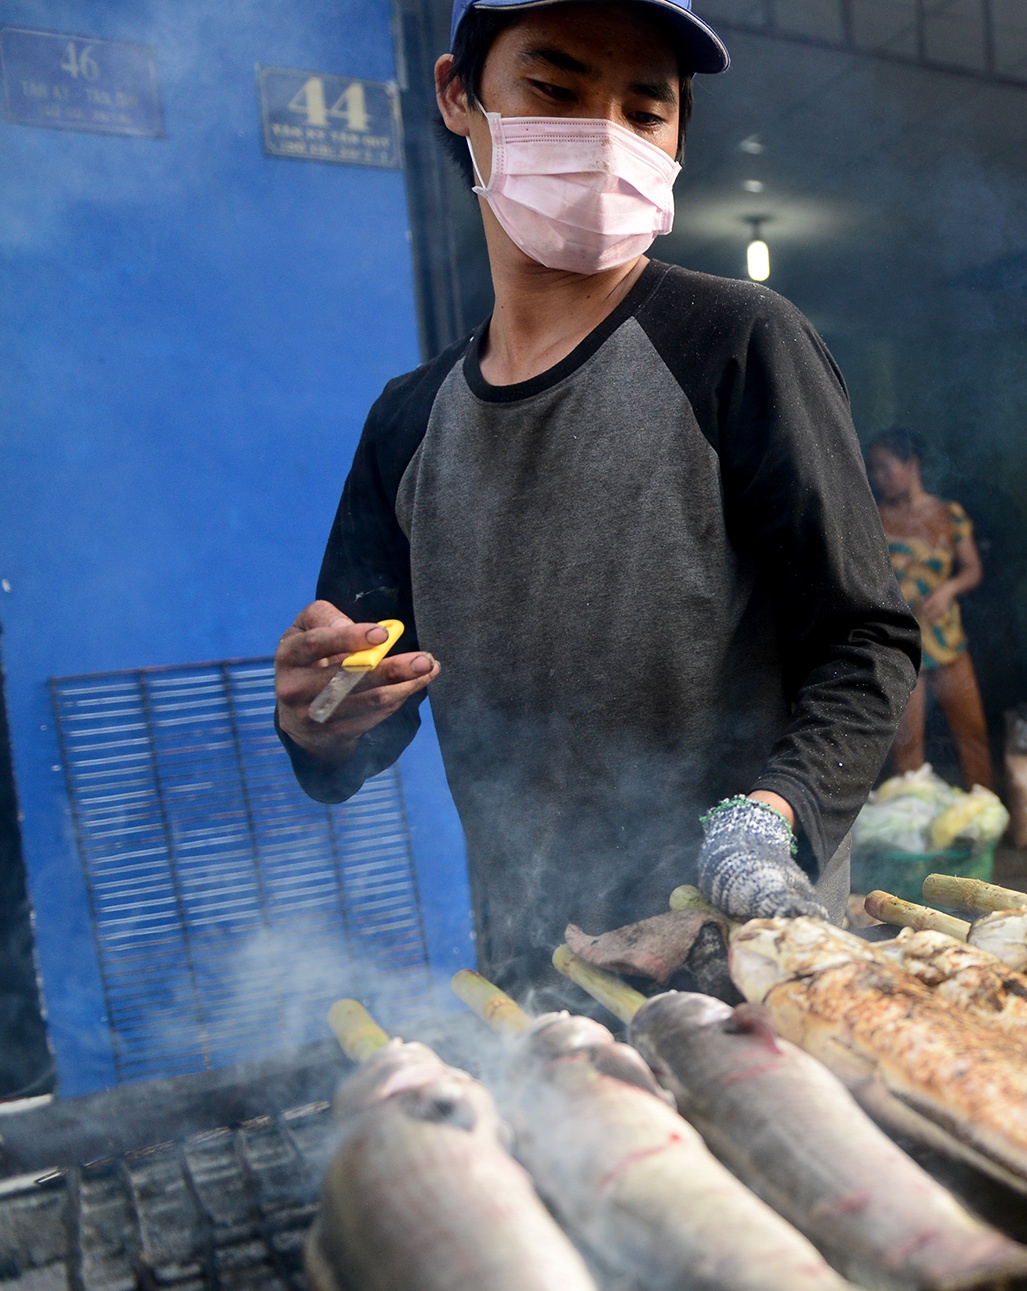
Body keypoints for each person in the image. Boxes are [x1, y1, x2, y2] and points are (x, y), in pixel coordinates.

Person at [272, 0, 920, 991]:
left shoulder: (739, 345)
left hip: (745, 964)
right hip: (535, 977)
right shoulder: (407, 424)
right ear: (458, 96)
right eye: (556, 89)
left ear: (676, 140)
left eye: (643, 109)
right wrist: (317, 716)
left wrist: (766, 820)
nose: (603, 136)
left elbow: (865, 642)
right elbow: (364, 713)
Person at [868, 430, 994, 789]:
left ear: (912, 464)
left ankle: (984, 815)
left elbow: (972, 569)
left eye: (886, 467)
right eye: (874, 470)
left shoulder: (948, 514)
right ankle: (913, 829)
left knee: (973, 734)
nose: (879, 477)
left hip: (946, 638)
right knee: (907, 748)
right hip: (901, 646)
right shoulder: (873, 519)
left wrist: (948, 589)